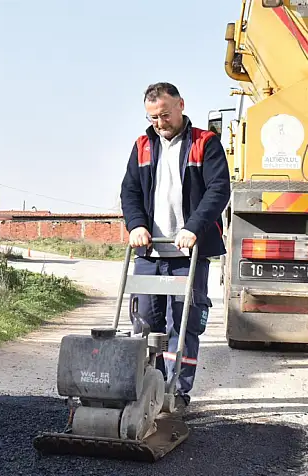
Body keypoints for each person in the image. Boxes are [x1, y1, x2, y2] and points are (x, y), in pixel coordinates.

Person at [120, 82, 231, 411]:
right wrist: (136, 225)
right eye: (153, 117)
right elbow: (129, 192)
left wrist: (193, 228)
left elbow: (218, 190)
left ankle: (177, 394)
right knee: (144, 324)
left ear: (181, 105)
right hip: (150, 252)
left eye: (165, 115)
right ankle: (149, 389)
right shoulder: (142, 146)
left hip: (187, 254)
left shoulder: (205, 143)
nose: (160, 122)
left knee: (182, 326)